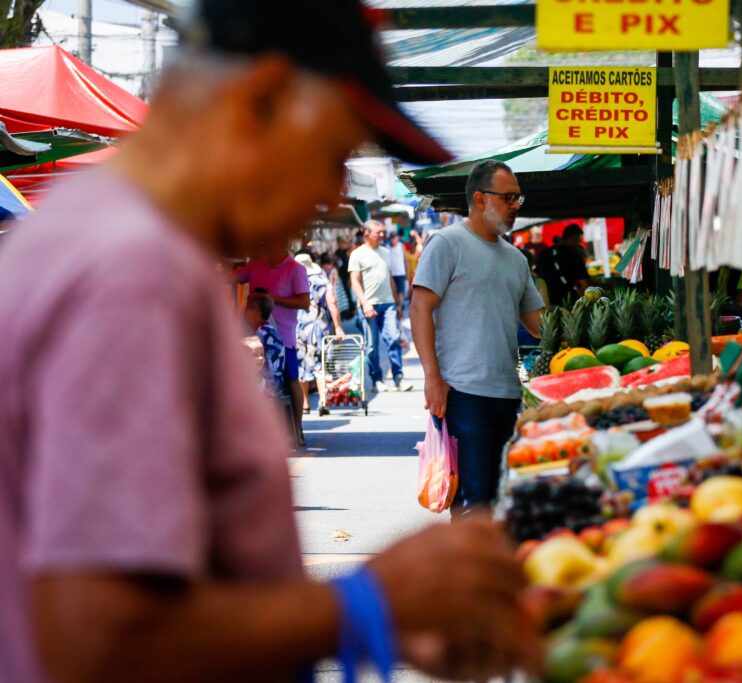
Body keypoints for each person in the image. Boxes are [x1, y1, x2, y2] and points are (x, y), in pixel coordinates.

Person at [0, 1, 542, 681]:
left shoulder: (103, 238)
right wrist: (370, 602)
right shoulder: (133, 271)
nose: (330, 191)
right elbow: (99, 638)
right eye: (334, 153)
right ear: (263, 98)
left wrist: (372, 627)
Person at [411, 159, 544, 515]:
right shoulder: (446, 244)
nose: (516, 205)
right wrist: (432, 378)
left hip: (507, 394)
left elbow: (539, 324)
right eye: (509, 197)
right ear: (481, 198)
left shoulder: (516, 259)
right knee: (474, 503)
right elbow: (419, 308)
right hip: (463, 394)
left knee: (499, 502)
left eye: (519, 198)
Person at [236, 248, 310, 446]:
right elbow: (232, 277)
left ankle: (297, 430)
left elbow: (305, 301)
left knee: (291, 379)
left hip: (285, 336)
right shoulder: (255, 266)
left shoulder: (296, 269)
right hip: (253, 336)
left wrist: (274, 299)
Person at [349, 220, 411, 392]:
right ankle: (377, 378)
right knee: (371, 346)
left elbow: (389, 277)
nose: (382, 235)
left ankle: (398, 377)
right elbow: (354, 281)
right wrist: (364, 303)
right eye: (378, 233)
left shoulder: (385, 252)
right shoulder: (357, 254)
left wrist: (397, 303)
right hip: (369, 306)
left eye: (383, 232)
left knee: (393, 339)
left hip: (388, 304)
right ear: (366, 234)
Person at [295, 252, 342, 417]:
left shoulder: (293, 281)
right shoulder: (323, 281)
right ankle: (323, 400)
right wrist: (338, 327)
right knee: (320, 364)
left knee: (302, 365)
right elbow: (332, 304)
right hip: (320, 328)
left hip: (300, 327)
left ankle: (305, 403)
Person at [245, 291, 289, 405]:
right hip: (274, 386)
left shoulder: (262, 334)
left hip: (268, 389)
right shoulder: (269, 330)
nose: (244, 312)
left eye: (247, 309)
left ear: (256, 312)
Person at [536, 222, 591, 306]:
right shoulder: (573, 254)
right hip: (569, 299)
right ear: (573, 238)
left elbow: (538, 275)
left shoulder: (545, 253)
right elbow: (583, 281)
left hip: (547, 299)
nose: (578, 244)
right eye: (578, 241)